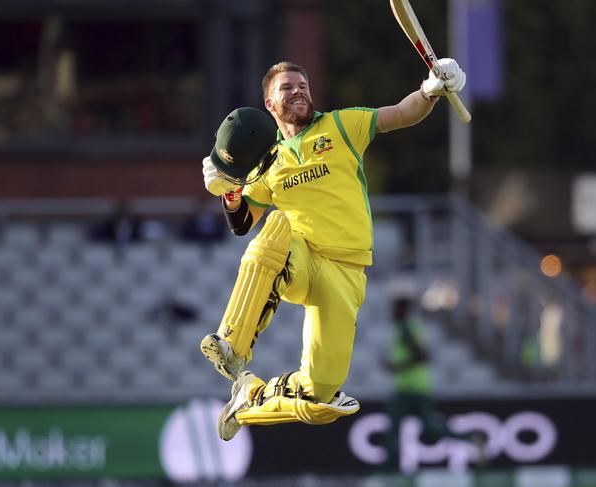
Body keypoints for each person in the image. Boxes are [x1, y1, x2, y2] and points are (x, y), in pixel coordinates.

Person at [199, 59, 467, 441]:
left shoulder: (342, 125)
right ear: (270, 105)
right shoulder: (267, 160)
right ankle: (233, 344)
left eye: (303, 85)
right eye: (287, 88)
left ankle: (249, 399)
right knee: (277, 227)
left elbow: (402, 114)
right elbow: (243, 223)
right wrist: (229, 191)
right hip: (301, 257)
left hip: (346, 274)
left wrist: (430, 91)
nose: (298, 91)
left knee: (320, 398)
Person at [382, 296, 478, 470]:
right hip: (419, 387)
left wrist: (397, 367)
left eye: (395, 309)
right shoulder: (410, 327)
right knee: (429, 427)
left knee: (394, 429)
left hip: (408, 389)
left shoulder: (405, 329)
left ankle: (388, 468)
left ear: (402, 310)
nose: (392, 313)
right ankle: (471, 439)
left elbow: (423, 356)